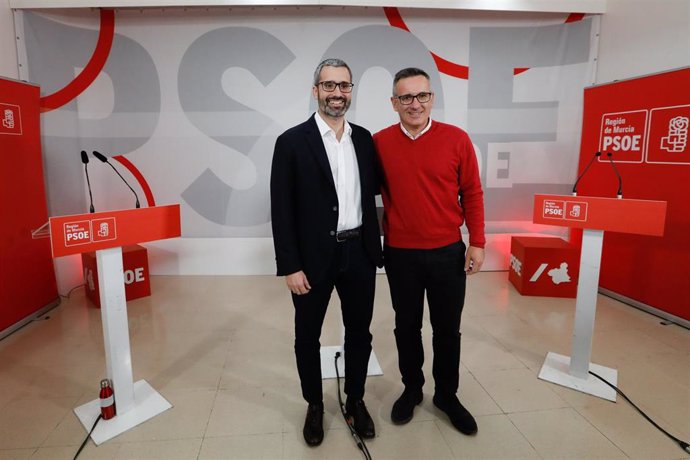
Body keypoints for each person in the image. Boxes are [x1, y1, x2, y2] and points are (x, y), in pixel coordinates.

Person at [270, 58, 383, 446]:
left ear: (351, 91)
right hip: (312, 261)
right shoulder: (291, 142)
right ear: (315, 90)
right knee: (307, 337)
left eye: (345, 86)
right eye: (329, 86)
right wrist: (290, 265)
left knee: (359, 333)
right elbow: (281, 210)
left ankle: (355, 399)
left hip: (360, 255)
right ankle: (315, 404)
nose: (338, 93)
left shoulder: (365, 139)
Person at [373, 67, 485, 435]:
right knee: (406, 327)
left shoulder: (456, 139)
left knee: (446, 330)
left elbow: (472, 193)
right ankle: (412, 389)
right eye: (405, 97)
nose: (414, 104)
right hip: (401, 254)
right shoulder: (379, 143)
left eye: (421, 95)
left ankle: (447, 396)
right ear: (394, 103)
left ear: (432, 98)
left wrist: (478, 241)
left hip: (447, 252)